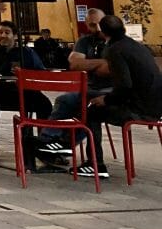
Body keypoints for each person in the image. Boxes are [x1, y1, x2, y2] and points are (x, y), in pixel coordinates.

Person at [80, 15, 162, 179]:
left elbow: (125, 86)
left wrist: (106, 99)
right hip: (155, 106)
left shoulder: (114, 50)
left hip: (138, 110)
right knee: (95, 106)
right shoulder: (137, 46)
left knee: (91, 112)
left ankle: (95, 164)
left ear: (103, 33)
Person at [36, 8, 111, 162]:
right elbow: (75, 64)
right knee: (64, 100)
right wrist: (101, 63)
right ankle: (47, 141)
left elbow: (113, 69)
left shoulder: (114, 41)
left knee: (85, 108)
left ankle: (61, 145)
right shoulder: (85, 41)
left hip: (111, 93)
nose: (96, 28)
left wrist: (90, 64)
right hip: (88, 90)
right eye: (92, 25)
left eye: (99, 24)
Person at [0, 21, 52, 161]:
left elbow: (40, 72)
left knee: (45, 105)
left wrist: (25, 74)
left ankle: (44, 146)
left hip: (25, 93)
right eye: (0, 32)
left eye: (7, 32)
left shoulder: (26, 52)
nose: (3, 35)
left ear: (15, 36)